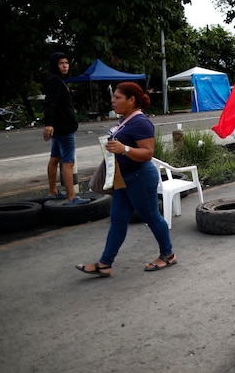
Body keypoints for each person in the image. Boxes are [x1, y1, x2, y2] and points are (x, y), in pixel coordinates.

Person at [75, 82, 175, 277]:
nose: (113, 101)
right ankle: (105, 264)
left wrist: (124, 149)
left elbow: (147, 153)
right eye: (113, 97)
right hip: (123, 179)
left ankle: (168, 254)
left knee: (152, 217)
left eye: (118, 97)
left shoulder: (141, 122)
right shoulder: (125, 120)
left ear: (131, 100)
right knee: (118, 220)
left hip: (140, 178)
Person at [42, 52, 89, 205]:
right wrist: (48, 123)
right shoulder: (55, 81)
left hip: (60, 127)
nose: (65, 66)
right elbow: (50, 103)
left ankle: (53, 191)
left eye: (67, 63)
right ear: (55, 65)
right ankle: (71, 197)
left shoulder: (58, 81)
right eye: (61, 63)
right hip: (64, 128)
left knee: (55, 158)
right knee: (68, 162)